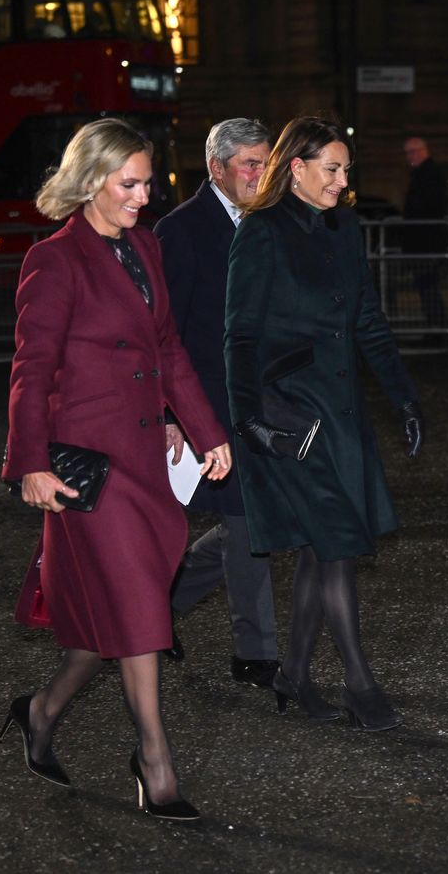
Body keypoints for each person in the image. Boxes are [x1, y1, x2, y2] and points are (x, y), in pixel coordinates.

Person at [0, 118, 232, 821]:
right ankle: (154, 761)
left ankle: (40, 712)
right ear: (90, 180)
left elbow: (166, 347)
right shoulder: (54, 259)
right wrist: (29, 464)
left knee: (101, 632)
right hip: (85, 473)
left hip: (143, 464)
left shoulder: (146, 246)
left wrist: (204, 430)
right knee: (137, 611)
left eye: (146, 182)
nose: (142, 195)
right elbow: (30, 370)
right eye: (128, 183)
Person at [225, 116, 424, 731]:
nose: (343, 181)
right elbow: (239, 337)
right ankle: (362, 687)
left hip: (341, 417)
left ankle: (293, 675)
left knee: (321, 548)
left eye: (346, 170)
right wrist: (251, 422)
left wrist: (404, 397)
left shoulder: (344, 227)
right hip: (291, 421)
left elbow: (367, 320)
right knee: (337, 547)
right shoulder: (261, 232)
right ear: (298, 168)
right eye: (332, 169)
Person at [155, 118, 280, 688]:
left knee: (249, 523)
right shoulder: (180, 230)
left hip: (267, 398)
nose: (260, 173)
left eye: (265, 161)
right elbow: (164, 329)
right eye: (249, 164)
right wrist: (170, 414)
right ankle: (256, 651)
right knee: (246, 518)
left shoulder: (275, 219)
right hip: (208, 405)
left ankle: (159, 607)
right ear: (216, 168)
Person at [400, 136, 448, 327]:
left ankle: (436, 327)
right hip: (426, 241)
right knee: (427, 287)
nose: (408, 157)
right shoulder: (426, 174)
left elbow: (426, 208)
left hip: (425, 242)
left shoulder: (427, 175)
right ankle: (435, 327)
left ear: (422, 151)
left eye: (411, 152)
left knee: (428, 287)